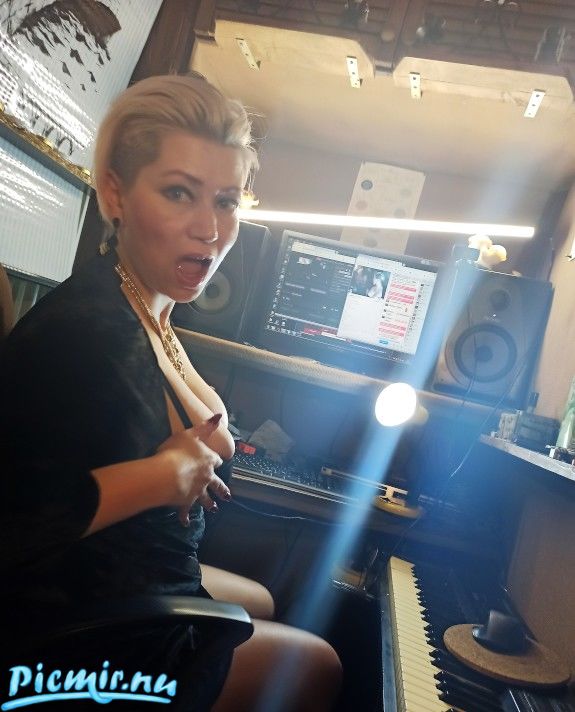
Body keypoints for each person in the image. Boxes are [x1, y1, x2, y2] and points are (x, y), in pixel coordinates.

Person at [0, 74, 341, 711]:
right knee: (318, 664)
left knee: (264, 600)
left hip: (145, 565)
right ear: (116, 194)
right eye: (179, 193)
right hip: (85, 629)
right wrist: (162, 477)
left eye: (226, 201)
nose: (208, 229)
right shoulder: (86, 335)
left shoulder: (146, 304)